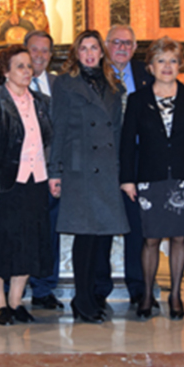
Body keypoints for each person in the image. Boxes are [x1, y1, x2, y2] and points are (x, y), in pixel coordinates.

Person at [120, 37, 184, 320]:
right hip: (150, 178)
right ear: (150, 67)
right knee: (150, 239)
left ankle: (175, 294)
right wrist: (127, 179)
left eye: (173, 61)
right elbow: (128, 142)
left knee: (179, 238)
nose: (167, 66)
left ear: (180, 65)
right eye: (161, 61)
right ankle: (147, 294)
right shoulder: (138, 99)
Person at [48, 30, 128, 324]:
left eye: (94, 48)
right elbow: (57, 130)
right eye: (84, 48)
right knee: (84, 236)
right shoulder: (66, 85)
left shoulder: (113, 86)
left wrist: (121, 171)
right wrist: (54, 172)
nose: (90, 53)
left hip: (107, 169)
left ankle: (96, 296)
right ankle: (81, 301)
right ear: (76, 53)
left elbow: (117, 133)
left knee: (103, 238)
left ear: (102, 52)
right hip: (78, 169)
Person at [0, 46, 53, 325]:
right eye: (20, 66)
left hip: (35, 183)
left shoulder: (42, 102)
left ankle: (17, 301)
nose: (27, 71)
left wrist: (54, 174)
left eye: (29, 66)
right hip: (3, 185)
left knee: (28, 244)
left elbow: (50, 143)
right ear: (5, 71)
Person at [0, 30, 63, 310]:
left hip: (48, 175)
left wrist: (56, 171)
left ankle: (44, 288)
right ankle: (10, 293)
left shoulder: (60, 86)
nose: (40, 56)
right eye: (35, 50)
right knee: (12, 235)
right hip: (13, 180)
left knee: (45, 234)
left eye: (46, 51)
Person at [95, 24, 153, 309]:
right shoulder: (95, 73)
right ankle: (99, 289)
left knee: (137, 227)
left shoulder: (146, 73)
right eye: (116, 42)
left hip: (140, 160)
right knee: (103, 225)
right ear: (106, 45)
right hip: (103, 161)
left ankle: (139, 287)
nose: (122, 48)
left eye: (128, 43)